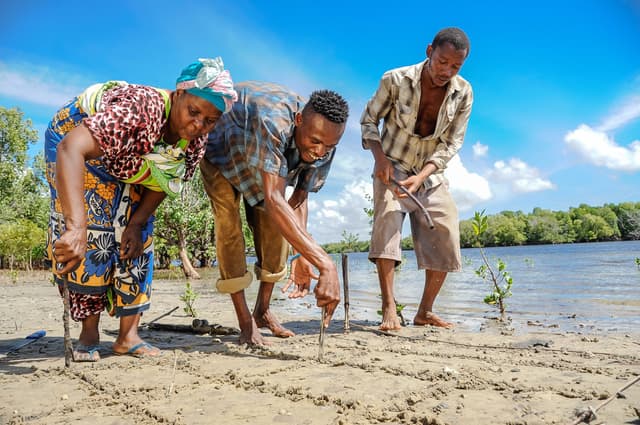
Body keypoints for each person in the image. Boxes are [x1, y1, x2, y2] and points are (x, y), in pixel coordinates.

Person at [45, 57, 237, 361]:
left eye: (210, 120)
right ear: (178, 95)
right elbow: (71, 148)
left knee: (138, 237)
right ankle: (89, 333)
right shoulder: (140, 111)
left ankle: (127, 336)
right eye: (193, 111)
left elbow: (163, 183)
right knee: (94, 233)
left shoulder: (195, 141)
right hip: (76, 145)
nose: (198, 124)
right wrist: (75, 226)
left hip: (131, 161)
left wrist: (135, 224)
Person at [200, 81, 349, 345]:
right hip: (223, 150)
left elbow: (299, 198)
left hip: (262, 162)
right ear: (299, 120)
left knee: (272, 224)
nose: (319, 152)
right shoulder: (275, 124)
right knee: (228, 225)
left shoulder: (324, 143)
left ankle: (263, 310)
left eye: (328, 146)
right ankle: (246, 321)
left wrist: (303, 253)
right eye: (314, 141)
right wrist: (325, 263)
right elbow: (274, 198)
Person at [360, 27, 473, 331]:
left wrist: (422, 175)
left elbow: (452, 144)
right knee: (387, 221)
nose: (446, 71)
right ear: (429, 51)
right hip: (392, 163)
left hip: (428, 171)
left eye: (455, 66)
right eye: (442, 61)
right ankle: (389, 309)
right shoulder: (394, 79)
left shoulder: (464, 93)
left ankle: (425, 312)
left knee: (446, 227)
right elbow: (369, 119)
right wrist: (380, 160)